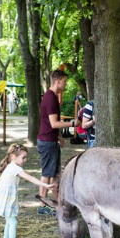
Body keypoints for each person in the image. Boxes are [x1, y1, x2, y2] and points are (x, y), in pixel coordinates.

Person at [0, 144, 56, 238]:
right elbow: (30, 178)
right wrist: (45, 185)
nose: (25, 160)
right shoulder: (15, 168)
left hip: (4, 197)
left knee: (10, 219)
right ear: (13, 156)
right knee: (13, 222)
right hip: (6, 199)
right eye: (23, 157)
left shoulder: (9, 166)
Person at [37, 69, 73, 213]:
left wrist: (60, 137)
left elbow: (52, 122)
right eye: (64, 81)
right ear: (57, 81)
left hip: (51, 140)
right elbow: (54, 123)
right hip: (47, 142)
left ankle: (56, 204)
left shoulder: (53, 96)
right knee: (47, 174)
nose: (65, 84)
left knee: (55, 174)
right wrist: (73, 124)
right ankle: (42, 205)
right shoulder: (50, 98)